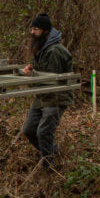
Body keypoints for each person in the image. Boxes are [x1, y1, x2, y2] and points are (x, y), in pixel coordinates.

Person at [21, 13, 75, 168]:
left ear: (45, 31)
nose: (32, 32)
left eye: (35, 29)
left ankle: (49, 166)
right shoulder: (42, 47)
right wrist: (32, 70)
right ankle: (51, 151)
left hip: (56, 97)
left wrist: (32, 77)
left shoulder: (54, 51)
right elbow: (40, 73)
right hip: (43, 96)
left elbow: (51, 81)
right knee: (29, 130)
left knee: (43, 132)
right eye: (31, 29)